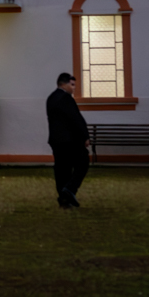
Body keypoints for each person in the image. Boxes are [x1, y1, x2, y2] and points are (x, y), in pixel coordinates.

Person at [47, 72, 90, 208]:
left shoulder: (51, 98)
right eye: (72, 85)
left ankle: (64, 198)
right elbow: (76, 119)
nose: (73, 88)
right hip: (70, 140)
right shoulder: (66, 99)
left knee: (61, 169)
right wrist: (85, 136)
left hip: (56, 139)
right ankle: (70, 189)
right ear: (63, 84)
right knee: (83, 162)